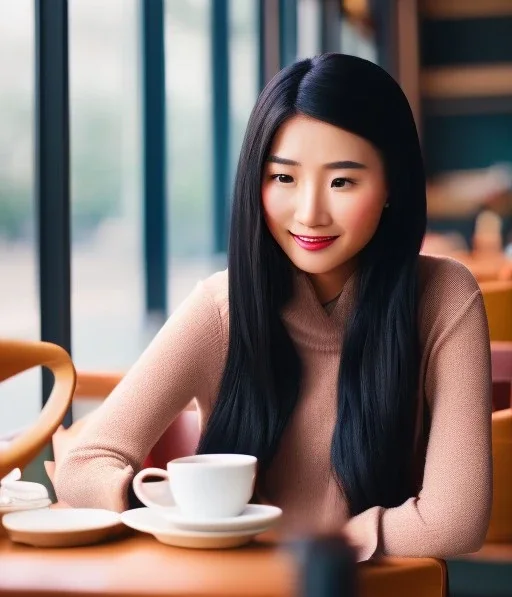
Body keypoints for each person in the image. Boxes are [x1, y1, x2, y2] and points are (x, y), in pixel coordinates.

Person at [54, 53, 492, 563]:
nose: (309, 212)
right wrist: (171, 508)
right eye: (284, 178)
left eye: (342, 181)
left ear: (392, 184)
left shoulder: (443, 297)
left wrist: (291, 550)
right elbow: (85, 463)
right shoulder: (223, 307)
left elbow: (456, 521)